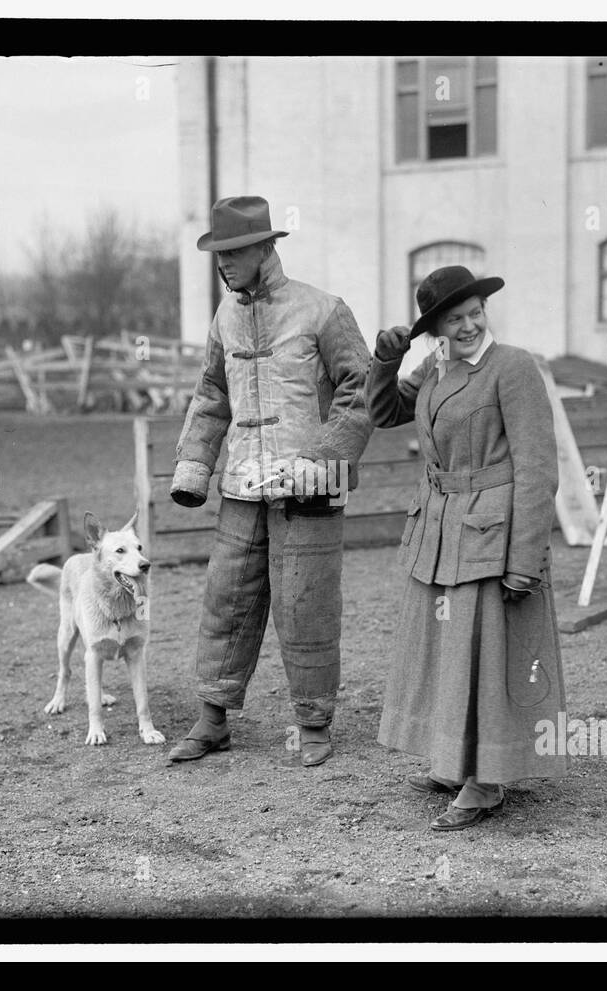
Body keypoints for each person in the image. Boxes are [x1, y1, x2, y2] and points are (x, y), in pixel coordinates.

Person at [167, 195, 373, 767]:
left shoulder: (323, 310)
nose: (225, 263)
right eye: (218, 253)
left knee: (306, 604)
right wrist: (194, 467)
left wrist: (325, 458)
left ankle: (313, 721)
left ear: (267, 247)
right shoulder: (223, 317)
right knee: (225, 601)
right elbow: (212, 394)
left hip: (310, 490)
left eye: (235, 251)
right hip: (242, 488)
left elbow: (361, 392)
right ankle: (212, 719)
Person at [366, 265, 568, 830]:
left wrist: (525, 558)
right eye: (455, 319)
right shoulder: (435, 368)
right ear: (436, 329)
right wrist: (385, 361)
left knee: (486, 660)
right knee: (447, 656)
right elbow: (382, 413)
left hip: (491, 536)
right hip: (439, 531)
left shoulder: (514, 368)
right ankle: (454, 762)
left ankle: (485, 782)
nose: (469, 325)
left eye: (475, 313)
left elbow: (537, 469)